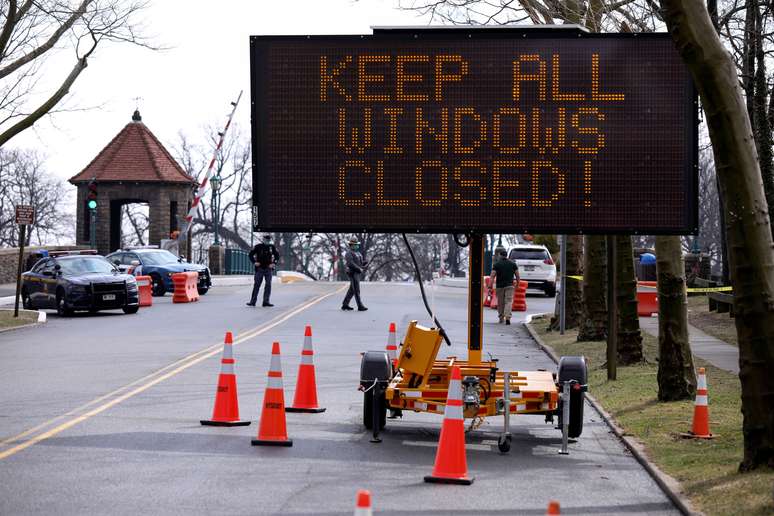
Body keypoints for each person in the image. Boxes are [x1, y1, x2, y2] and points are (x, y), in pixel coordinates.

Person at [247, 234, 280, 307]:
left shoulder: (272, 247)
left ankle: (266, 301)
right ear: (263, 240)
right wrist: (254, 262)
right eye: (266, 240)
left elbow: (277, 256)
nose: (267, 241)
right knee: (257, 285)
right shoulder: (258, 247)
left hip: (268, 268)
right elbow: (250, 255)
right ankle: (253, 301)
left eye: (268, 240)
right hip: (260, 268)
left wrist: (274, 263)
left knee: (268, 284)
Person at [490, 249, 520, 325]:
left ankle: (501, 318)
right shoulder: (513, 264)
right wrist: (517, 283)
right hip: (510, 286)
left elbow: (492, 276)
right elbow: (517, 275)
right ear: (506, 255)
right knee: (508, 302)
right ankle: (508, 317)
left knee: (500, 303)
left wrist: (490, 285)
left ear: (500, 255)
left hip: (500, 286)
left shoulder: (496, 264)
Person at [341, 237, 368, 311]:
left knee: (352, 290)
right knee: (356, 289)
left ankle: (345, 304)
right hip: (352, 272)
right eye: (354, 244)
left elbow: (359, 262)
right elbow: (350, 263)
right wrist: (358, 268)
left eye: (356, 244)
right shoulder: (348, 253)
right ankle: (360, 306)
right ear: (350, 245)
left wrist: (364, 263)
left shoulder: (358, 253)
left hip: (357, 272)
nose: (356, 246)